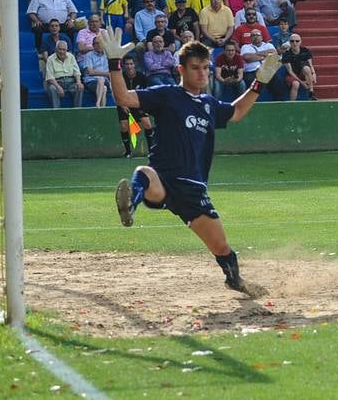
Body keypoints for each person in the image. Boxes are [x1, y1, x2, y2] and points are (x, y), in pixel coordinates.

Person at [105, 33, 279, 292]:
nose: (202, 73)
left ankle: (235, 280)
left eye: (206, 68)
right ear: (180, 70)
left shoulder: (209, 104)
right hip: (163, 180)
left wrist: (259, 82)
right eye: (195, 68)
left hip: (193, 189)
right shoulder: (167, 95)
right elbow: (124, 98)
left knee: (221, 247)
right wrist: (114, 63)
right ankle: (130, 205)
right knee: (143, 172)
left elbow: (238, 111)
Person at [44, 38, 82, 108]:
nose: (62, 52)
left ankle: (77, 110)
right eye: (60, 49)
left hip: (71, 82)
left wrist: (78, 82)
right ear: (56, 50)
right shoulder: (50, 59)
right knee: (52, 88)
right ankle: (57, 111)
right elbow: (50, 77)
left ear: (66, 50)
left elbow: (76, 72)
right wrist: (58, 87)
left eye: (64, 50)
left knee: (79, 87)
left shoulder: (71, 56)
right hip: (57, 82)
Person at [280, 33, 317, 99]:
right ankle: (292, 104)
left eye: (297, 41)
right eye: (292, 41)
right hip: (291, 75)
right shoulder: (286, 54)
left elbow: (310, 65)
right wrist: (302, 83)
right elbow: (290, 71)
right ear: (289, 42)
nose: (295, 43)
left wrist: (313, 74)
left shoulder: (306, 51)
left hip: (302, 72)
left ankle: (311, 92)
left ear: (300, 42)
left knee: (307, 68)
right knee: (296, 84)